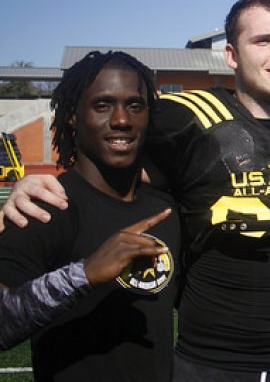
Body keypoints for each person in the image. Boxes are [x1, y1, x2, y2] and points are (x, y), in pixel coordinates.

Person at [0, 0, 270, 381]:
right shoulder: (182, 118)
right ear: (231, 55)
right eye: (262, 40)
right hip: (210, 363)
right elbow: (108, 152)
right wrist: (36, 183)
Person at [0, 50, 179, 381]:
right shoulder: (42, 209)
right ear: (72, 115)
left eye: (135, 106)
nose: (121, 119)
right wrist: (84, 274)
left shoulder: (165, 209)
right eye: (102, 105)